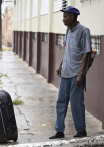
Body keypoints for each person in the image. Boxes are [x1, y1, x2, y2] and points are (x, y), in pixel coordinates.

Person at [49, 6, 91, 139]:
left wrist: (80, 74)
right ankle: (59, 131)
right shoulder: (68, 30)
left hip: (76, 74)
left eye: (65, 17)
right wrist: (61, 65)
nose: (63, 20)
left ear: (72, 17)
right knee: (61, 101)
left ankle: (81, 130)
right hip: (66, 73)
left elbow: (86, 53)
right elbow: (68, 50)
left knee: (76, 103)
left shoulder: (84, 31)